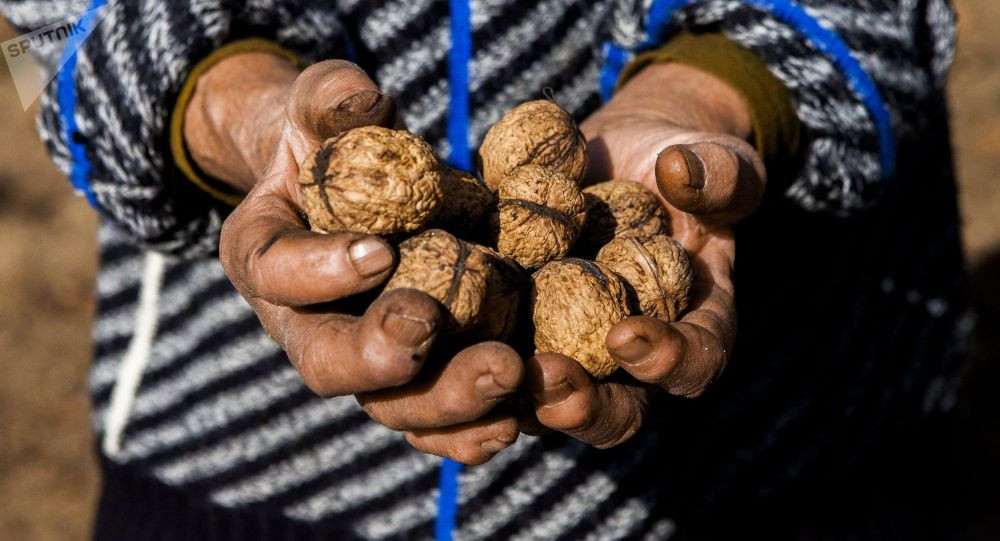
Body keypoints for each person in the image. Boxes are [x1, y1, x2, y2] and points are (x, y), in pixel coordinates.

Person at [1, 0, 968, 539]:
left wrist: (718, 88)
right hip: (241, 466)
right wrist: (236, 106)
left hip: (781, 446)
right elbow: (57, 22)